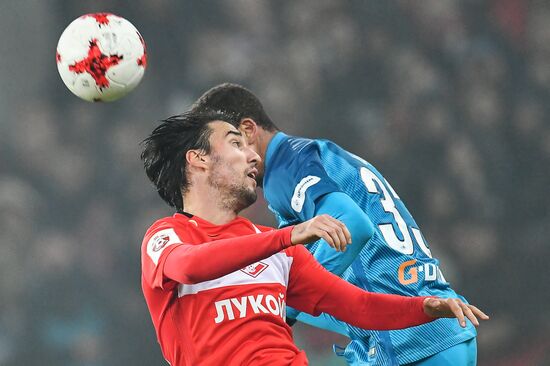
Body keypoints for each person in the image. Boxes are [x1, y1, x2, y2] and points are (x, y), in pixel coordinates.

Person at [139, 110, 488, 366]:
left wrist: (425, 307)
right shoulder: (166, 237)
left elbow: (358, 306)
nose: (253, 155)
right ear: (198, 160)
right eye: (235, 144)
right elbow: (190, 267)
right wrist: (288, 236)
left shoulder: (275, 245)